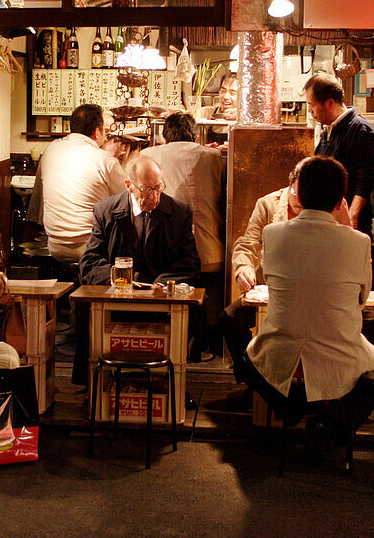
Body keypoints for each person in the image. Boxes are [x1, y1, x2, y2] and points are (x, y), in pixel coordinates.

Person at [224, 156, 374, 446]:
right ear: (340, 201)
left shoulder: (274, 236)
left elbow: (274, 282)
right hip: (338, 353)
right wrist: (348, 226)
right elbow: (362, 297)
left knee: (251, 361)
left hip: (281, 349)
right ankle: (333, 420)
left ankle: (294, 408)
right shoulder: (358, 242)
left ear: (302, 191)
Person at [76, 155, 201, 379]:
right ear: (129, 186)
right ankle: (95, 383)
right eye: (146, 189)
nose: (154, 196)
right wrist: (117, 276)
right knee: (86, 309)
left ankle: (173, 382)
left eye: (158, 187)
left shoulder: (178, 211)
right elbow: (89, 261)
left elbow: (190, 261)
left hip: (161, 294)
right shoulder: (105, 210)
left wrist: (160, 285)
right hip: (118, 295)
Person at [141, 112, 225, 353]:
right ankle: (208, 343)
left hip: (168, 257)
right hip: (210, 251)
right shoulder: (213, 155)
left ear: (164, 136)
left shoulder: (148, 154)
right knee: (211, 286)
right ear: (195, 134)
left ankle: (176, 342)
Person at [231, 158, 350, 295]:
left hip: (320, 285)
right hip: (271, 285)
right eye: (295, 193)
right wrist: (243, 269)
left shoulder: (334, 206)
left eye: (305, 194)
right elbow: (247, 244)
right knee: (230, 315)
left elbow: (348, 245)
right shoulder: (267, 204)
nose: (299, 200)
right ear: (290, 184)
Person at [27, 103, 126, 263]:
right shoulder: (104, 159)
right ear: (97, 132)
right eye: (105, 131)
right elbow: (125, 199)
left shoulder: (51, 149)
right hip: (91, 246)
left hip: (55, 243)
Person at [303, 73, 374, 236]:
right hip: (328, 220)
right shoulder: (329, 130)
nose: (310, 111)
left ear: (330, 103)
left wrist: (353, 214)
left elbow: (368, 176)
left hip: (350, 223)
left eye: (312, 105)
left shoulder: (360, 130)